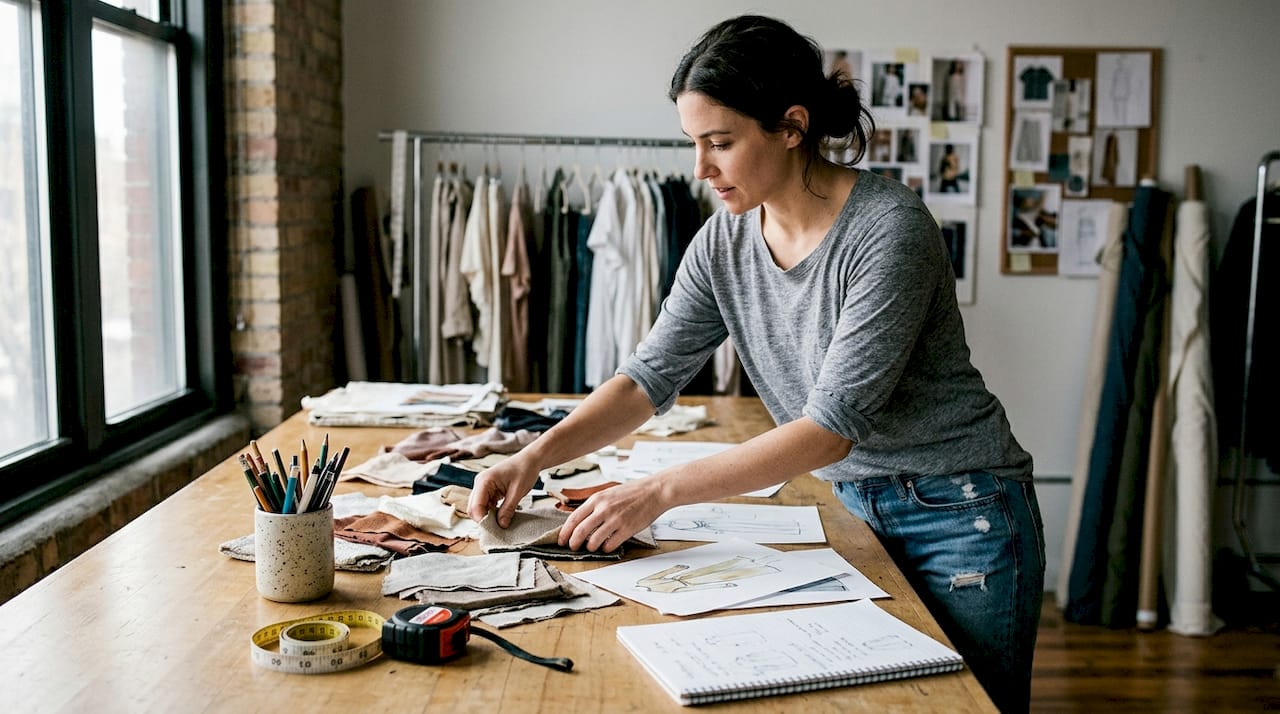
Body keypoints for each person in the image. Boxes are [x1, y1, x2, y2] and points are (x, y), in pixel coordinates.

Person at [469, 14, 1044, 713]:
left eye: (720, 144)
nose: (700, 169)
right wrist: (535, 456)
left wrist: (656, 492)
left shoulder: (890, 231)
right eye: (694, 144)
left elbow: (830, 428)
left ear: (792, 126)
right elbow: (650, 376)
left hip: (961, 514)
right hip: (855, 506)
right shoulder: (725, 240)